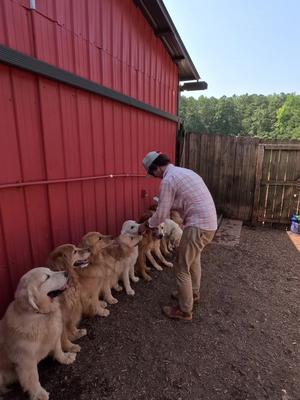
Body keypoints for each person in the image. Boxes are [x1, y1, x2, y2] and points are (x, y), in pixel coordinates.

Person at [139, 151, 217, 321]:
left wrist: (145, 225)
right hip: (209, 224)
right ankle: (193, 293)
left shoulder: (168, 180)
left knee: (181, 266)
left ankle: (184, 310)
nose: (155, 177)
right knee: (193, 258)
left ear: (156, 168)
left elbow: (161, 216)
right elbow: (184, 201)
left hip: (197, 226)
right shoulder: (185, 172)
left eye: (152, 174)